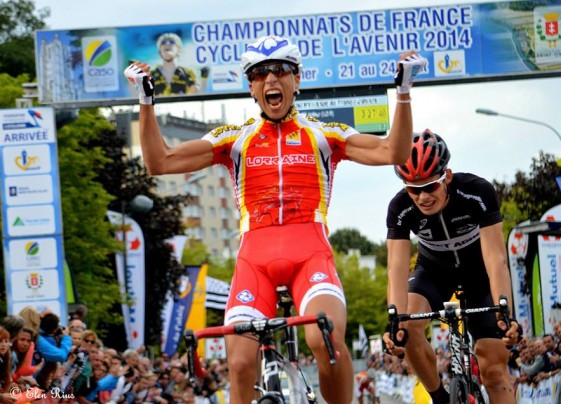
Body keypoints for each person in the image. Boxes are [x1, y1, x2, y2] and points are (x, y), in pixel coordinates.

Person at [124, 34, 426, 403]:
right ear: (250, 86)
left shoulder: (323, 133)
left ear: (296, 79)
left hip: (310, 254)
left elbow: (392, 151)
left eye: (281, 70)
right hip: (255, 260)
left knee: (325, 337)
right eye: (260, 73)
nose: (271, 79)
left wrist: (404, 92)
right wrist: (145, 100)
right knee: (238, 363)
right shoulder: (235, 138)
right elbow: (159, 162)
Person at [383, 130, 520, 404]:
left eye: (430, 186)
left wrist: (505, 309)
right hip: (433, 271)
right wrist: (394, 319)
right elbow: (397, 269)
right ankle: (439, 397)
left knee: (494, 371)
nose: (422, 197)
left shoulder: (477, 192)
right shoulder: (400, 208)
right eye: (413, 189)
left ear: (446, 176)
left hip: (480, 274)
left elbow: (495, 258)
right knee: (406, 327)